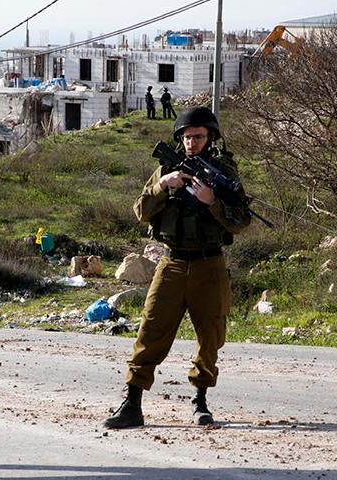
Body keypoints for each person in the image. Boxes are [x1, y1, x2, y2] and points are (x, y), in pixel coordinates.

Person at [104, 106, 250, 429]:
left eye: (198, 137)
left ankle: (200, 402)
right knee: (150, 331)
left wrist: (213, 202)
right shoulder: (166, 169)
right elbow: (141, 210)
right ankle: (132, 404)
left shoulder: (223, 173)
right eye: (186, 138)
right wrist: (164, 184)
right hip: (171, 262)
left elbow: (242, 221)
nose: (191, 143)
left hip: (209, 263)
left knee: (210, 336)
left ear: (210, 138)